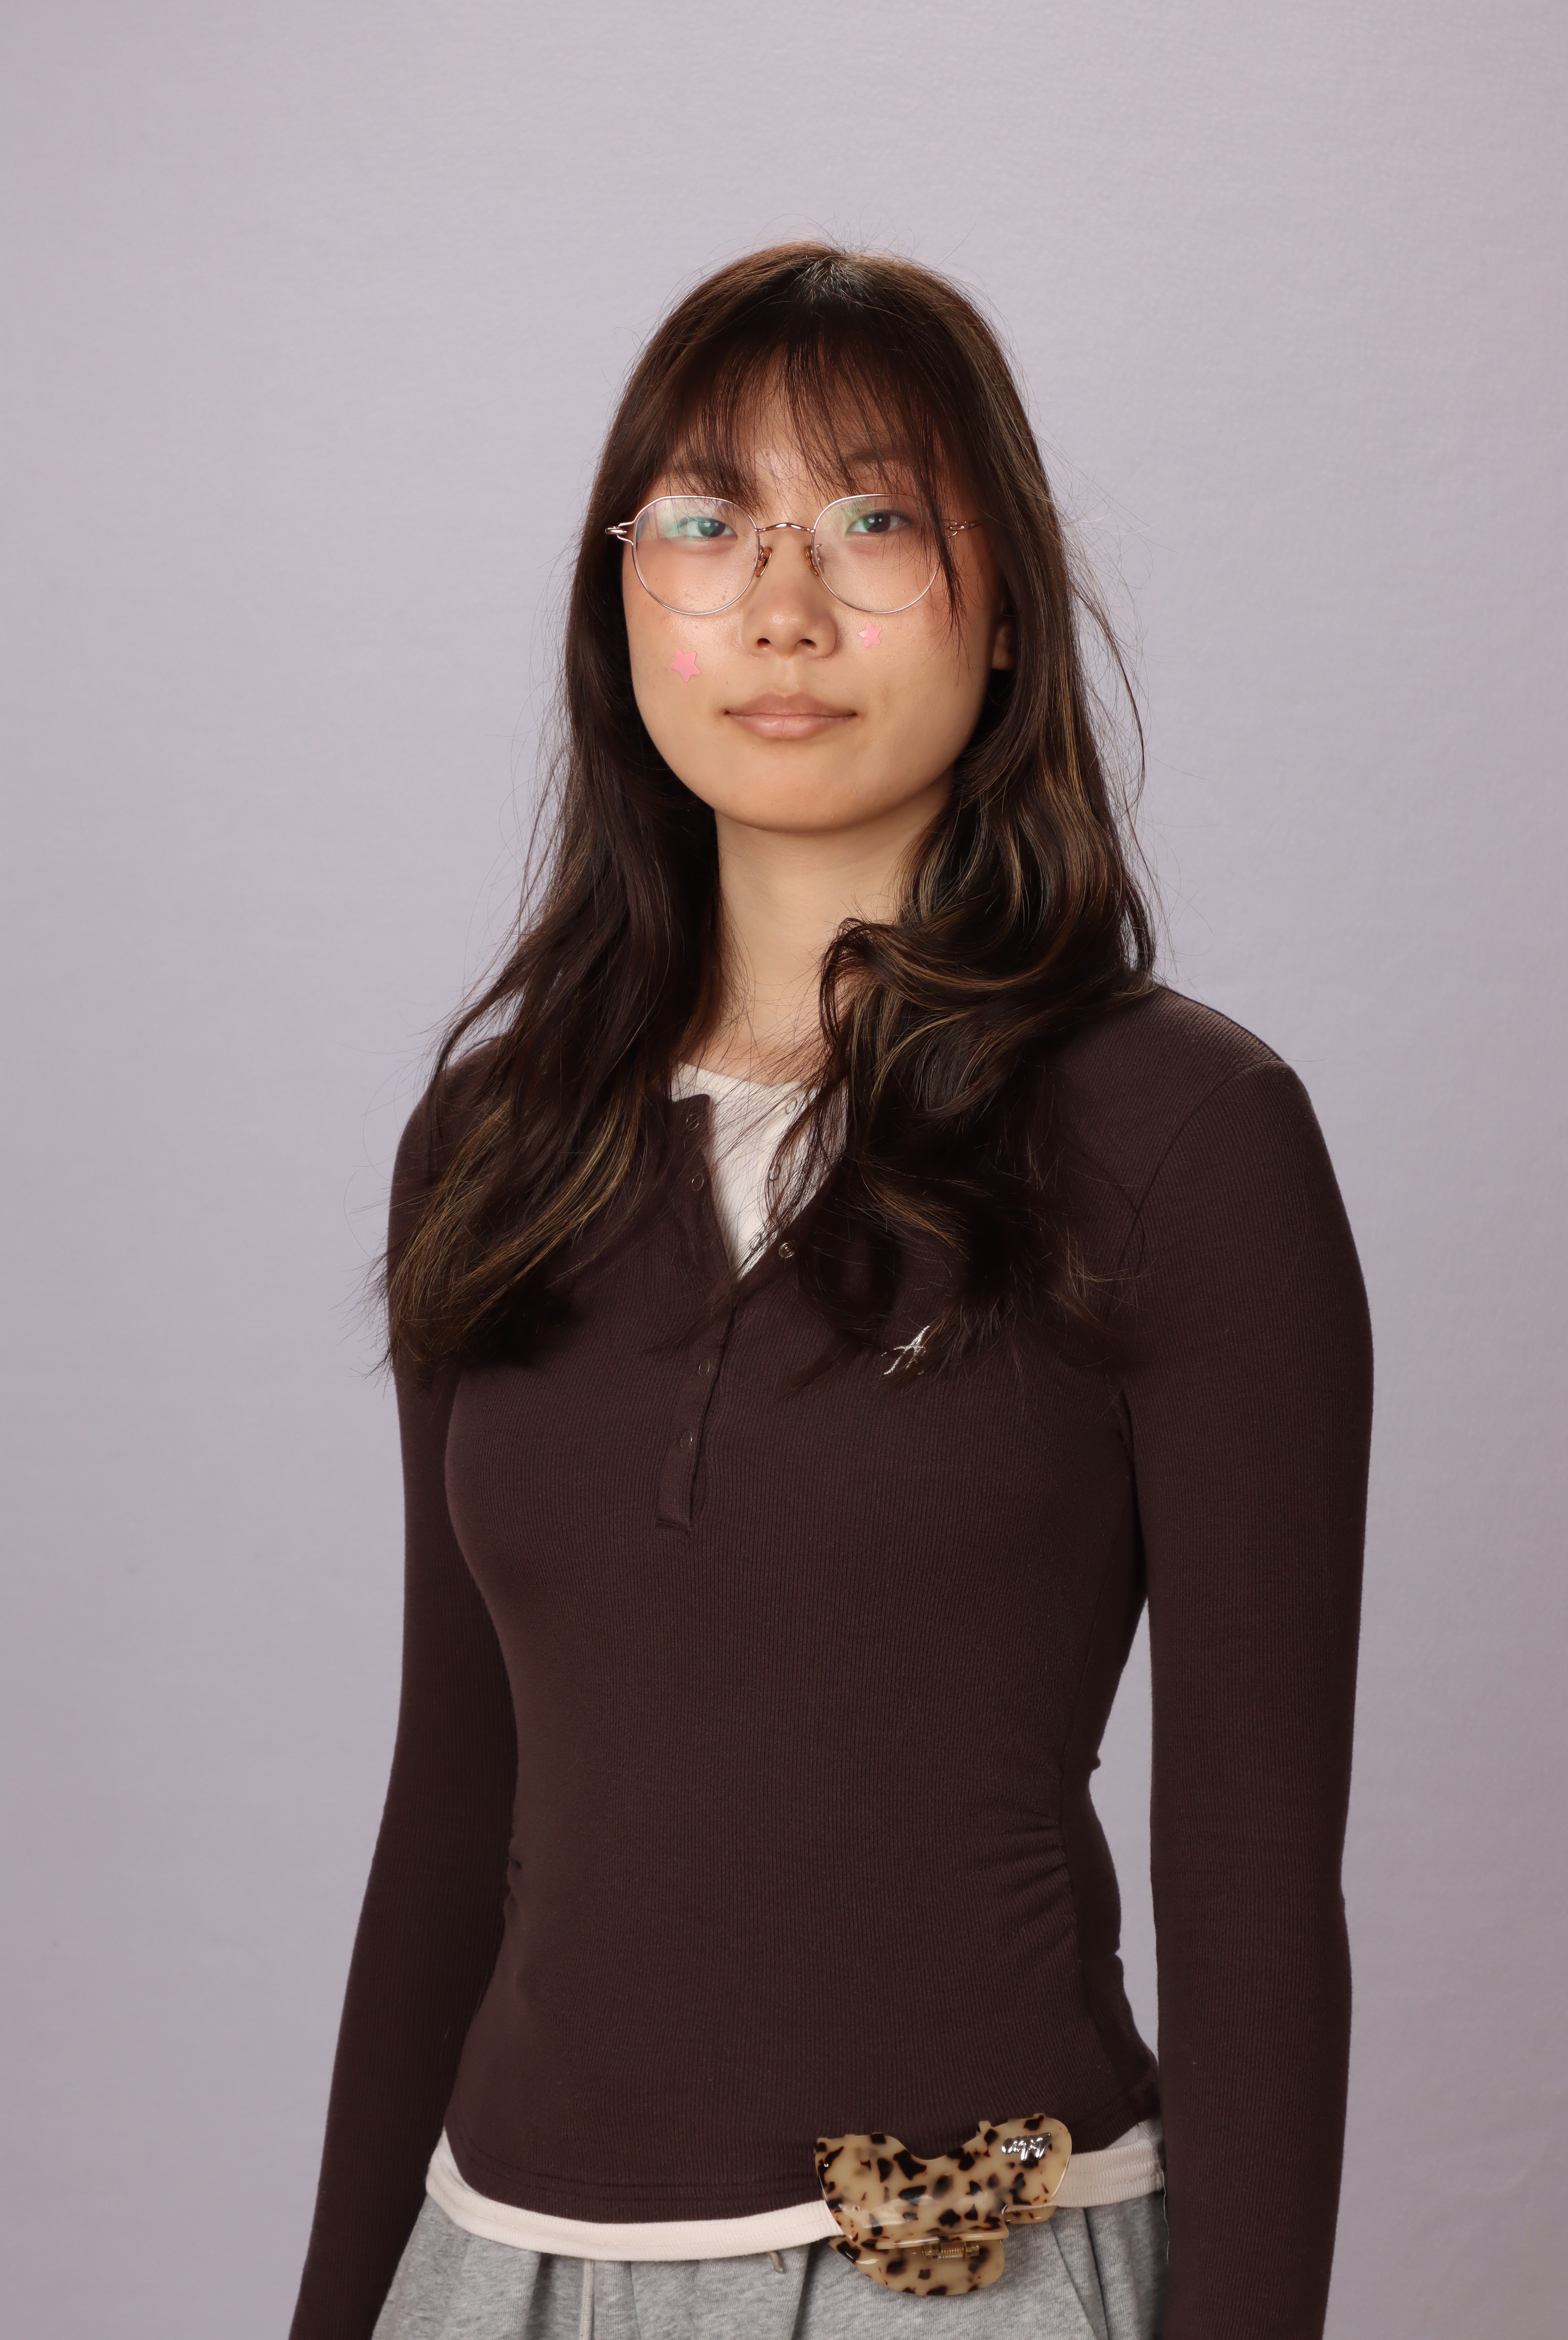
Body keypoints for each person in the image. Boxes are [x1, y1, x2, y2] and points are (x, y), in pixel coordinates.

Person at [288, 244, 1372, 2340]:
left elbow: (1251, 1885)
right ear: (622, 602)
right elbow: (454, 1804)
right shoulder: (496, 1138)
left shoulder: (1181, 1134)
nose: (779, 606)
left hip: (966, 2271)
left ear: (1001, 606)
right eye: (705, 523)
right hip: (493, 2269)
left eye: (874, 520)